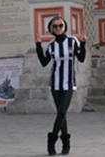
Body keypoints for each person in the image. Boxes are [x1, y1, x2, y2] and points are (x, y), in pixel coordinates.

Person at [36, 16, 87, 156]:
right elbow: (44, 62)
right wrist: (38, 45)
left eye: (60, 25)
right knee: (61, 113)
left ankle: (51, 140)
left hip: (69, 82)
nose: (58, 28)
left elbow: (81, 58)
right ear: (51, 29)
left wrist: (83, 43)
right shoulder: (51, 45)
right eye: (55, 26)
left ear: (65, 27)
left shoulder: (72, 41)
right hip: (55, 83)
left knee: (62, 112)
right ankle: (66, 143)